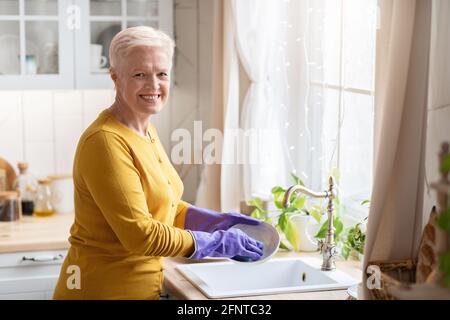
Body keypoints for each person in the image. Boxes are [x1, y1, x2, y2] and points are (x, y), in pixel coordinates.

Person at [53, 26, 264, 300]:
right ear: (115, 77)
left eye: (161, 74)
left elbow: (165, 207)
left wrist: (214, 221)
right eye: (139, 74)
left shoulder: (145, 130)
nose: (154, 85)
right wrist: (213, 242)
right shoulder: (105, 141)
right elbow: (141, 235)